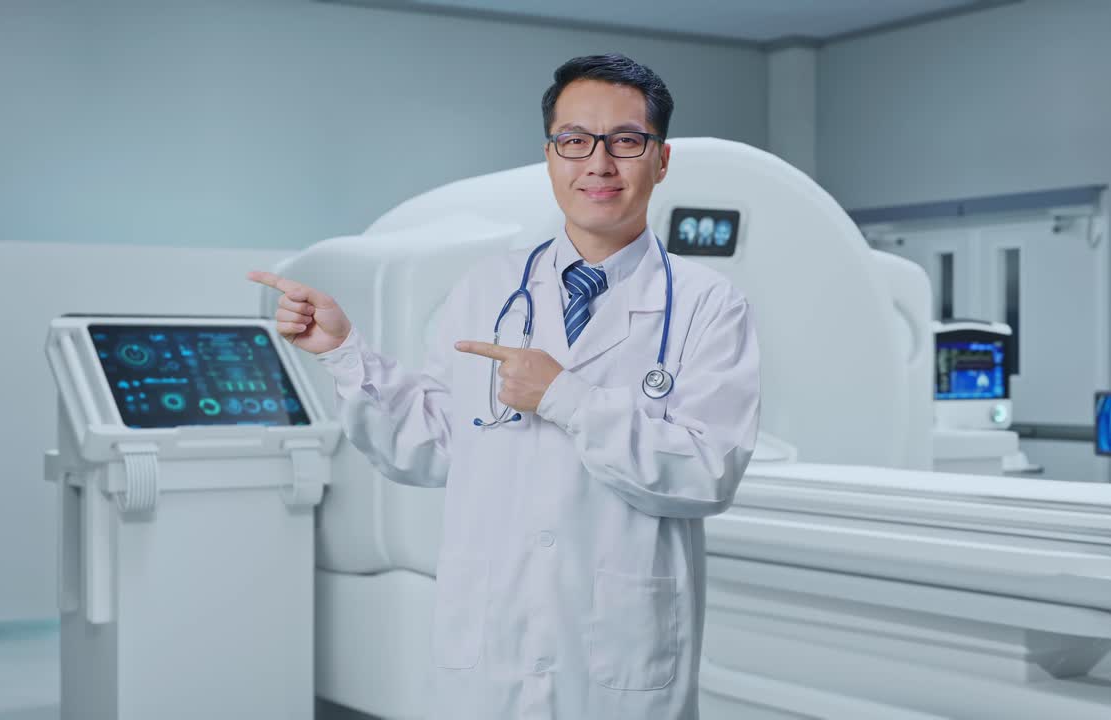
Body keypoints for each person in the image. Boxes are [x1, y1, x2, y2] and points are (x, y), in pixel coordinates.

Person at [249, 53, 760, 720]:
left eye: (626, 142)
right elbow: (433, 444)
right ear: (551, 155)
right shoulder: (488, 287)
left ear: (660, 160)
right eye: (574, 141)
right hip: (494, 644)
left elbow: (706, 473)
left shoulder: (708, 304)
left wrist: (564, 397)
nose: (598, 164)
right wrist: (344, 352)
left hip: (620, 651)